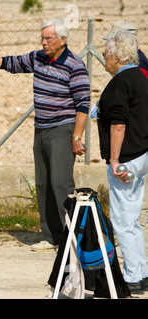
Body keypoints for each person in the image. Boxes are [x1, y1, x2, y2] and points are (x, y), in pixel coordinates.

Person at [0, 18, 90, 252]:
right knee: (43, 184)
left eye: (48, 38)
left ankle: (74, 237)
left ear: (62, 40)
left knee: (61, 184)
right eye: (42, 38)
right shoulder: (38, 58)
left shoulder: (74, 65)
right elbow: (8, 62)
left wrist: (76, 137)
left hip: (62, 130)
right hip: (41, 129)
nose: (44, 42)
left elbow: (83, 104)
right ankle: (51, 236)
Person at [97, 30, 148, 295]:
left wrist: (115, 161)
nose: (104, 58)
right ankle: (142, 272)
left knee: (122, 220)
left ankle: (132, 278)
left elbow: (118, 124)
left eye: (105, 53)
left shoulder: (120, 82)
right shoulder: (140, 76)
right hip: (142, 154)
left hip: (126, 157)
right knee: (132, 217)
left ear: (116, 55)